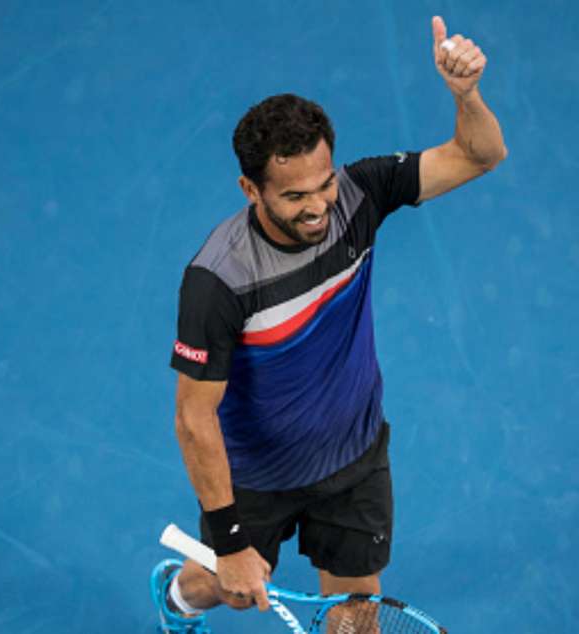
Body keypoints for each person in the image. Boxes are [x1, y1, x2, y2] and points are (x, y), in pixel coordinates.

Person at [150, 15, 507, 633]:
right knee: (228, 588)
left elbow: (482, 155)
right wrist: (230, 542)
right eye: (294, 197)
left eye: (323, 185)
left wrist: (466, 95)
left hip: (353, 456)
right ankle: (179, 595)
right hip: (256, 476)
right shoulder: (218, 281)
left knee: (356, 618)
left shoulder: (360, 194)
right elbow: (193, 416)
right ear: (250, 189)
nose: (317, 207)